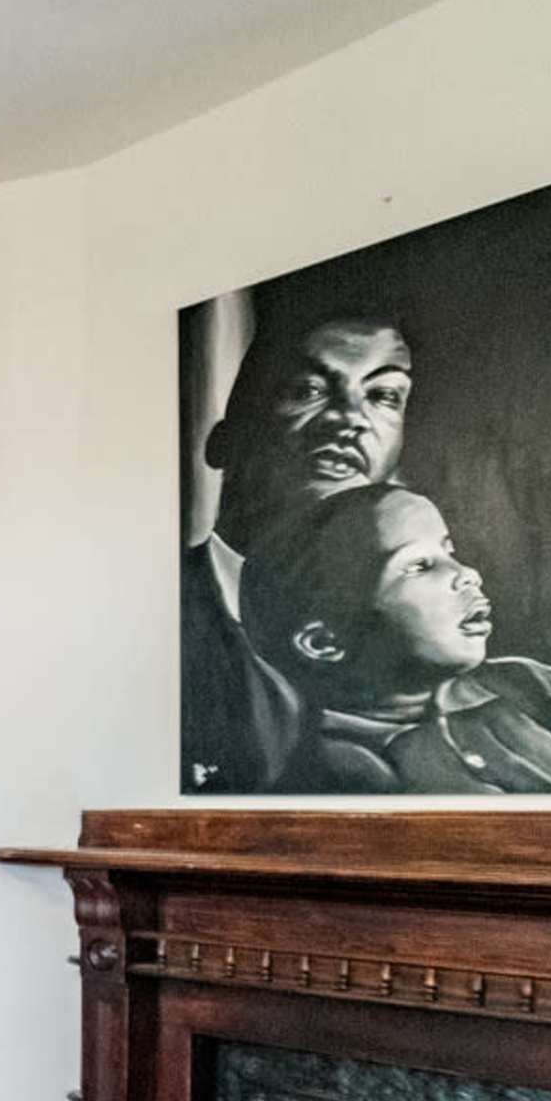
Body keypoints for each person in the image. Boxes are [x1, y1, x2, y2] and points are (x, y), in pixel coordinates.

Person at [236, 485, 551, 793]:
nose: (467, 573)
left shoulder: (529, 685)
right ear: (325, 643)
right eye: (419, 566)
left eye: (449, 551)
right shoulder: (336, 775)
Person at [184, 308, 416, 790]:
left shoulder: (425, 641)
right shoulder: (160, 618)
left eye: (383, 395)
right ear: (224, 442)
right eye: (307, 391)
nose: (349, 419)